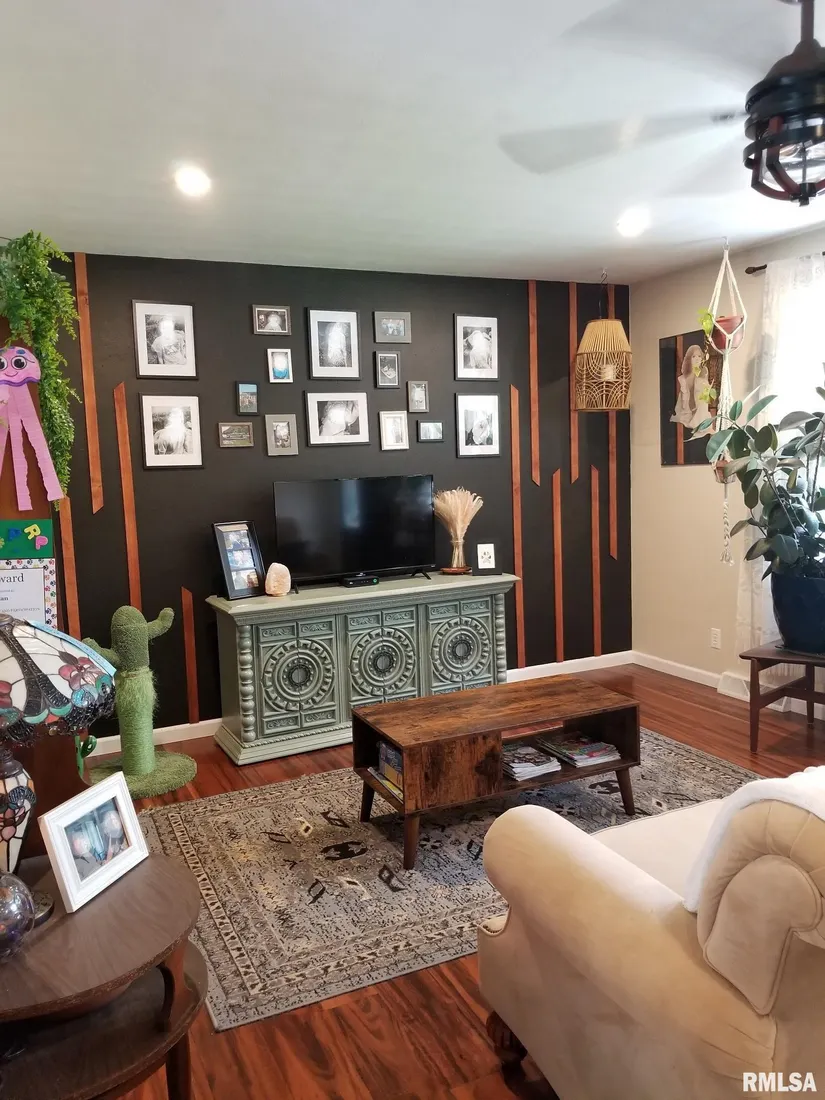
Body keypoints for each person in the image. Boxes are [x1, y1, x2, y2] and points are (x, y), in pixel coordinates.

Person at [671, 344, 711, 433]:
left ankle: (701, 423)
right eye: (694, 356)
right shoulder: (684, 377)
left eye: (699, 356)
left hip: (701, 404)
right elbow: (685, 398)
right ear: (689, 359)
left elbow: (705, 393)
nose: (697, 359)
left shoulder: (704, 371)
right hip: (688, 408)